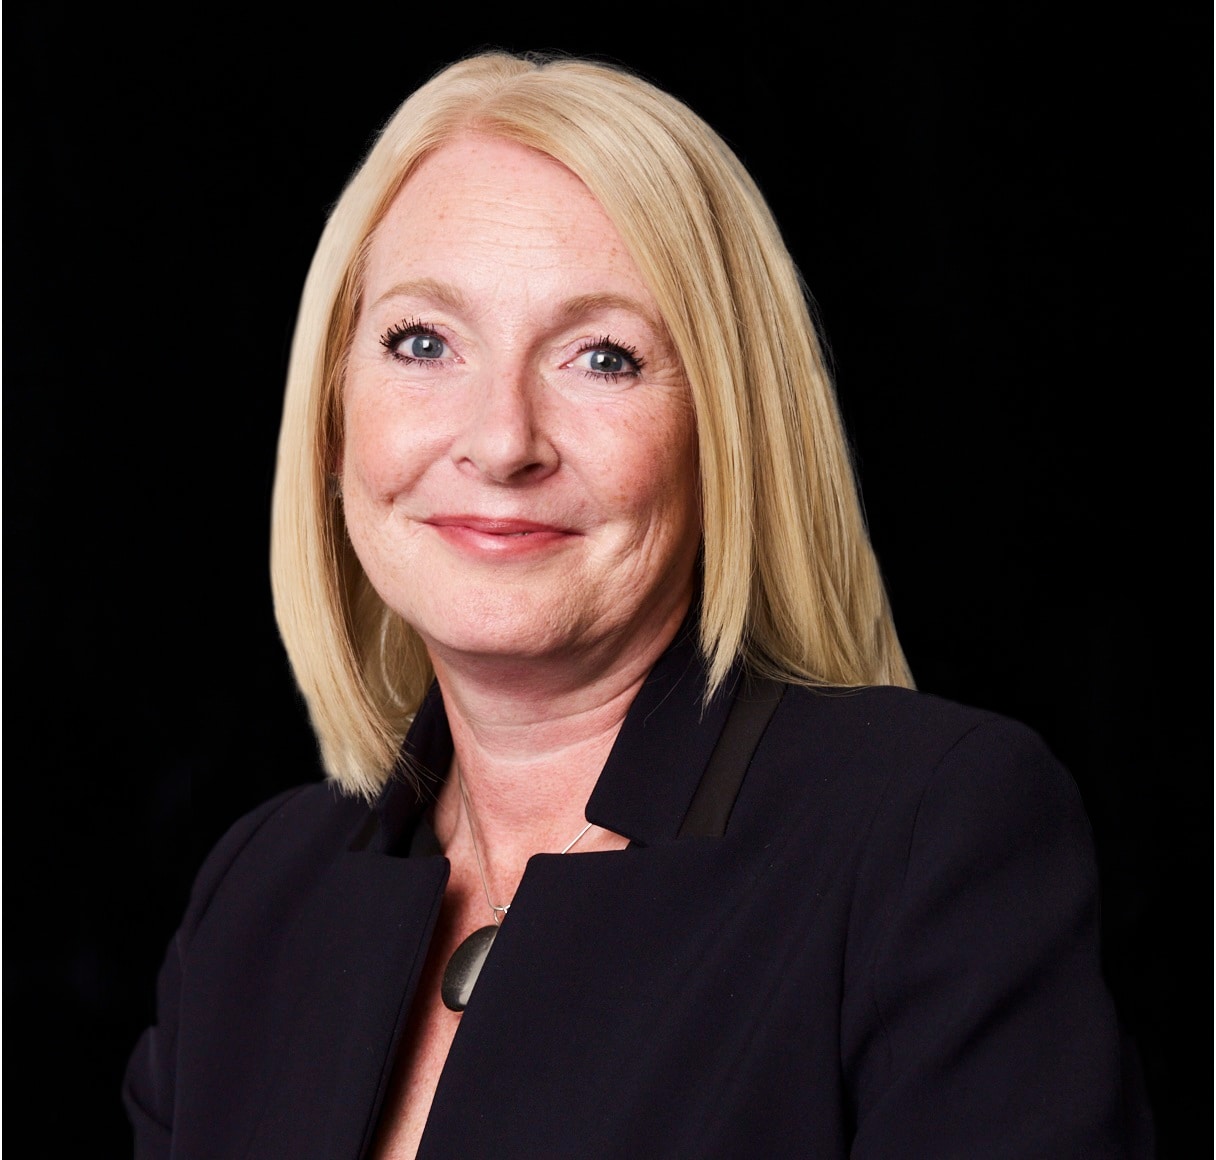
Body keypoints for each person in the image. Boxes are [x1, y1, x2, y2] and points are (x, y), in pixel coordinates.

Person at [123, 49, 1153, 1158]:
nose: (502, 441)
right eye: (423, 342)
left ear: (728, 428)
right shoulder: (256, 896)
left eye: (603, 357)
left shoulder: (924, 833)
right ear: (334, 413)